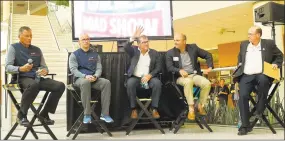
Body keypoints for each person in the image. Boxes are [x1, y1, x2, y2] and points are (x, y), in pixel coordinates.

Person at [5, 26, 65, 126]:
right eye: (26, 36)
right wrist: (20, 69)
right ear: (19, 36)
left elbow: (44, 67)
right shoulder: (13, 47)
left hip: (37, 78)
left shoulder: (37, 50)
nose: (29, 38)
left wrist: (44, 71)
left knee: (60, 86)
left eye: (31, 36)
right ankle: (22, 115)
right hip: (21, 78)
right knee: (33, 85)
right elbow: (7, 67)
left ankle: (44, 114)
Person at [233, 25, 283, 135]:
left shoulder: (268, 44)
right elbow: (240, 58)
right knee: (243, 96)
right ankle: (245, 126)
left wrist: (276, 64)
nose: (248, 36)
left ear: (258, 35)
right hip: (246, 75)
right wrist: (239, 66)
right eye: (248, 34)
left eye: (250, 34)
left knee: (264, 81)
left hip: (261, 74)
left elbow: (279, 55)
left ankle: (259, 108)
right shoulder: (244, 44)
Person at [166, 33, 213, 120]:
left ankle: (200, 105)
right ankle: (191, 108)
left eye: (177, 40)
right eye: (174, 40)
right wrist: (179, 70)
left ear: (184, 41)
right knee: (188, 81)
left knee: (206, 83)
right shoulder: (170, 53)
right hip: (180, 78)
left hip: (194, 75)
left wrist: (209, 67)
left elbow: (208, 55)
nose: (175, 42)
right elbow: (169, 67)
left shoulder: (193, 48)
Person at [69, 33, 114, 123]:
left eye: (87, 39)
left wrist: (96, 76)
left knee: (106, 82)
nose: (86, 41)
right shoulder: (74, 55)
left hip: (93, 79)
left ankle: (105, 114)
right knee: (85, 82)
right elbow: (73, 70)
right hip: (80, 79)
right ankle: (87, 114)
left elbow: (99, 68)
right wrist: (85, 76)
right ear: (79, 42)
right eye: (83, 39)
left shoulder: (95, 55)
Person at [124, 26, 162, 119]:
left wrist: (150, 75)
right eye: (143, 42)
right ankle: (134, 109)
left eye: (147, 42)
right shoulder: (134, 51)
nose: (146, 44)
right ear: (138, 44)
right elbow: (126, 47)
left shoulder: (154, 53)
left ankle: (153, 109)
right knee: (130, 83)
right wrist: (133, 37)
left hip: (149, 78)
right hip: (136, 78)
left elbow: (158, 67)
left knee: (157, 83)